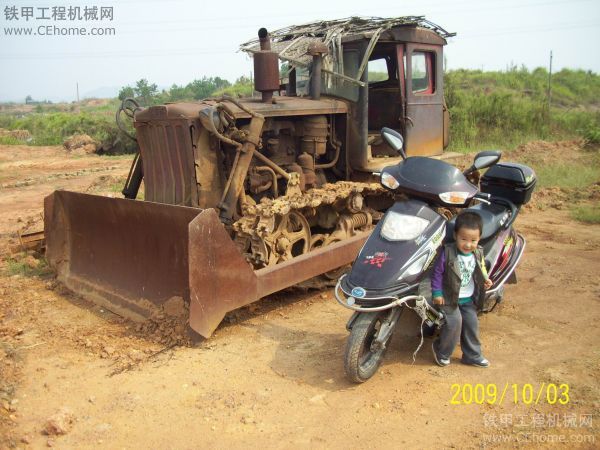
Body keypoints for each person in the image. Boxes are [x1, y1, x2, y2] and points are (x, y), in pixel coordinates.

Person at [430, 211, 493, 367]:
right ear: (456, 235)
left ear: (479, 238)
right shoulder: (448, 252)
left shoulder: (477, 253)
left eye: (473, 240)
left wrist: (486, 279)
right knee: (455, 323)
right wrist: (437, 293)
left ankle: (472, 355)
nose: (468, 244)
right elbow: (437, 274)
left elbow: (481, 268)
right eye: (463, 239)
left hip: (467, 299)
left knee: (472, 323)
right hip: (449, 298)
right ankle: (441, 351)